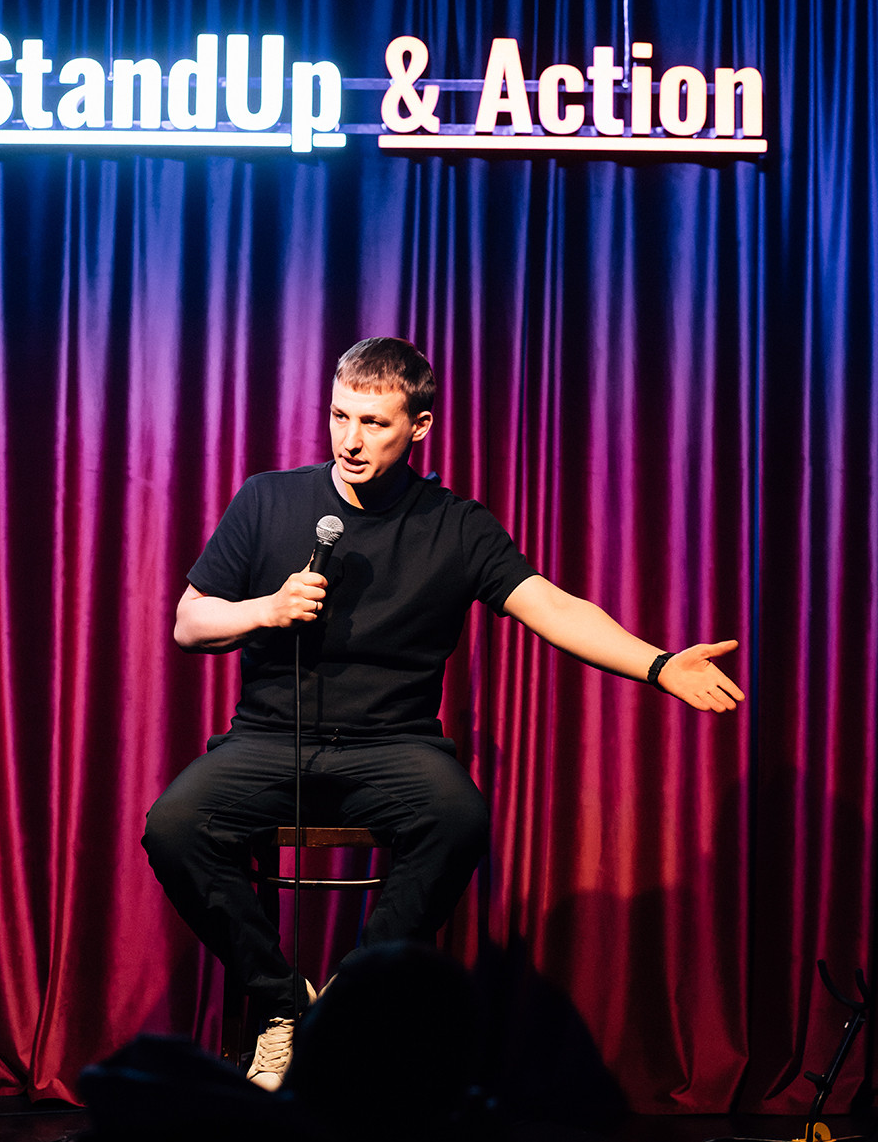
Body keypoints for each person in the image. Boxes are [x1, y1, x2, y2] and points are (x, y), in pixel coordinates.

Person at [143, 337, 743, 1090]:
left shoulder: (456, 525)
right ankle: (282, 1005)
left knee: (457, 818)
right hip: (269, 737)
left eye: (374, 423)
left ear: (419, 426)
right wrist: (265, 608)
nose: (350, 440)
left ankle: (351, 1003)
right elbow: (189, 623)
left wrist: (659, 664)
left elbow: (553, 607)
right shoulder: (268, 499)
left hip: (394, 744)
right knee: (173, 827)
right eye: (339, 416)